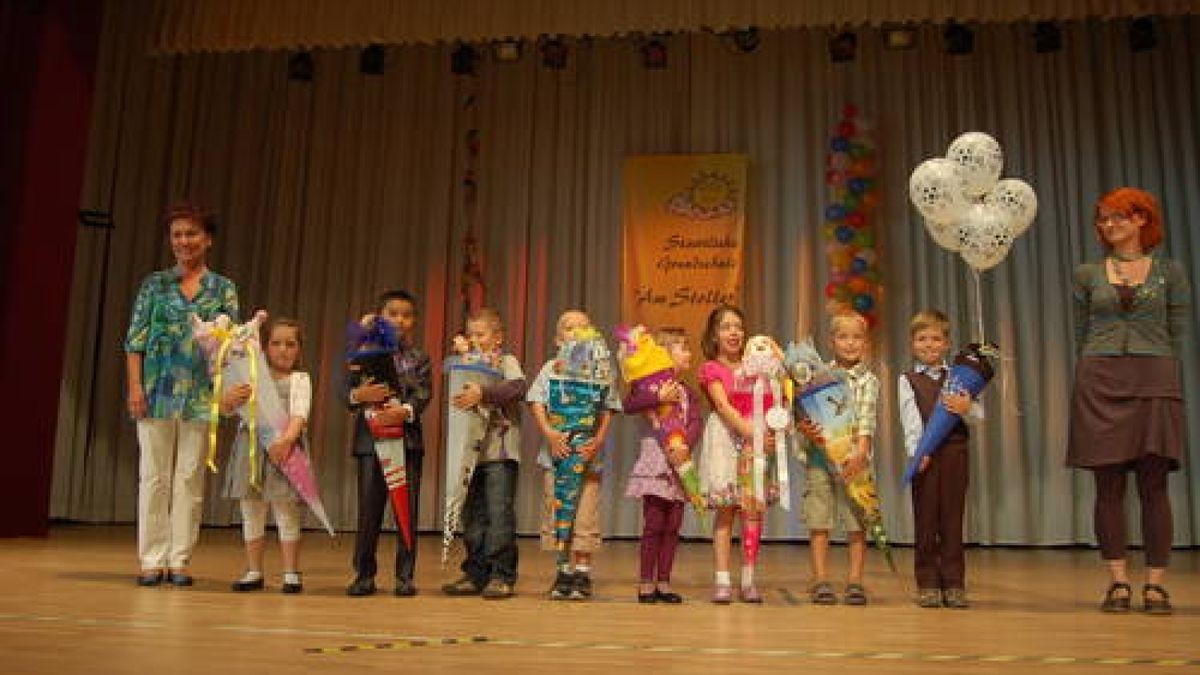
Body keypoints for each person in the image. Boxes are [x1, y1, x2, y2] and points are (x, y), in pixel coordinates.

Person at [1067, 187, 1190, 615]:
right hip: (1099, 377)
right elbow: (1082, 329)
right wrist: (1094, 365)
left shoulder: (1169, 272)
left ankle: (1155, 584)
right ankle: (1117, 581)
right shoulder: (1087, 273)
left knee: (1154, 485)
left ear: (1141, 219)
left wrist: (1158, 367)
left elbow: (1177, 328)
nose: (1108, 225)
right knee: (1108, 487)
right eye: (1102, 219)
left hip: (1154, 375)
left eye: (1117, 217)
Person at [125, 202, 239, 587]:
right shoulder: (154, 285)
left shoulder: (223, 288)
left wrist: (226, 391)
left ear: (207, 240)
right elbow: (134, 340)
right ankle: (151, 559)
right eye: (177, 234)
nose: (184, 241)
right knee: (153, 476)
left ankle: (179, 560)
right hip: (156, 390)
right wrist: (135, 386)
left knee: (189, 478)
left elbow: (231, 347)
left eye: (191, 234)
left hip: (201, 393)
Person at [345, 290, 433, 597]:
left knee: (405, 511)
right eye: (393, 313)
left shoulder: (419, 357)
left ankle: (405, 576)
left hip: (406, 442)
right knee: (369, 512)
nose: (400, 319)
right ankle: (363, 575)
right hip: (371, 442)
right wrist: (359, 396)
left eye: (407, 314)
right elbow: (348, 390)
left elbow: (423, 393)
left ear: (414, 320)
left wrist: (405, 411)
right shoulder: (363, 351)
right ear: (380, 316)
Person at [898, 309, 983, 609]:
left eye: (936, 339)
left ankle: (955, 583)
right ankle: (928, 583)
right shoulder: (908, 380)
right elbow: (910, 420)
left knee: (951, 519)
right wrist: (917, 453)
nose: (929, 345)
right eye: (922, 339)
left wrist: (966, 407)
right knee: (926, 519)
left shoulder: (959, 377)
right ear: (912, 343)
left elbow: (978, 416)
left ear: (947, 344)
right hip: (925, 457)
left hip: (955, 454)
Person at [221, 318, 312, 594]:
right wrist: (228, 400)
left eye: (290, 344)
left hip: (286, 449)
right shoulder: (251, 377)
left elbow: (299, 414)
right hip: (250, 450)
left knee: (286, 510)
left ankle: (290, 573)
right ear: (264, 347)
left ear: (298, 349)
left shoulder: (299, 379)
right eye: (276, 343)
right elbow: (227, 410)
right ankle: (253, 570)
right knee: (252, 510)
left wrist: (286, 442)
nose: (283, 349)